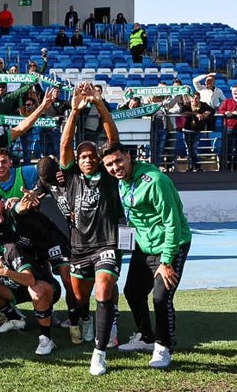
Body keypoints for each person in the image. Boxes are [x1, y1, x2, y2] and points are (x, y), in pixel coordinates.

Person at [100, 141, 191, 370]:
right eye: (109, 164)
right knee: (133, 291)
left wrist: (167, 261)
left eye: (118, 160)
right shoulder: (122, 181)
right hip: (144, 245)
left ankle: (164, 347)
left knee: (161, 297)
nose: (115, 167)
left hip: (171, 244)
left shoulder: (156, 181)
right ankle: (146, 338)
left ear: (129, 157)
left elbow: (172, 224)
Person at [59, 82, 123, 376]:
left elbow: (113, 137)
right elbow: (65, 144)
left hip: (106, 243)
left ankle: (99, 352)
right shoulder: (71, 175)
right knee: (80, 297)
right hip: (79, 246)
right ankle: (87, 318)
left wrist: (99, 103)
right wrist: (73, 111)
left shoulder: (108, 175)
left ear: (98, 159)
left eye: (90, 156)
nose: (86, 159)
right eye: (82, 156)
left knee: (104, 287)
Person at [0, 218, 60, 355]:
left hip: (46, 288)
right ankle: (15, 318)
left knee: (36, 290)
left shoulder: (10, 250)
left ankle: (46, 338)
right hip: (20, 291)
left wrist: (5, 272)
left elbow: (30, 280)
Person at [218, 85, 237, 170]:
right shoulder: (227, 102)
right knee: (226, 149)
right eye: (234, 92)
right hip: (228, 128)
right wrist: (226, 112)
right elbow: (220, 110)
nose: (235, 93)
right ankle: (226, 168)